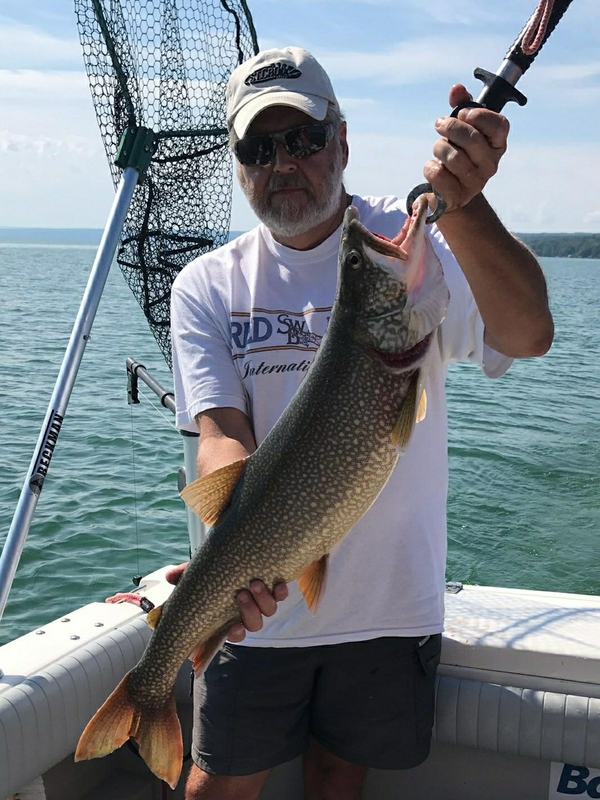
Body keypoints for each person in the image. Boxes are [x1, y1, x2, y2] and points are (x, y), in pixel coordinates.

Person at [169, 46, 553, 800]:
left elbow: (529, 335)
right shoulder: (206, 284)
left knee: (339, 779)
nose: (285, 163)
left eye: (304, 138)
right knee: (216, 788)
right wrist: (232, 548)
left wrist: (467, 206)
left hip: (391, 605)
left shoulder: (421, 239)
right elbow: (218, 433)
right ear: (239, 166)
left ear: (341, 140)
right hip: (265, 607)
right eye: (259, 148)